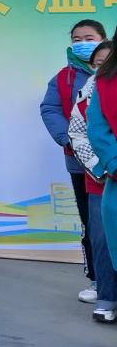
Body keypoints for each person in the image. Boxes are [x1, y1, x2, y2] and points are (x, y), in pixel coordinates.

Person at [40, 19, 107, 303]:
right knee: (92, 223)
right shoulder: (63, 78)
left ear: (103, 39)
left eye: (89, 38)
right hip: (81, 164)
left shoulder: (111, 74)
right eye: (76, 39)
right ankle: (98, 280)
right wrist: (70, 139)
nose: (82, 44)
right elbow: (50, 108)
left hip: (113, 160)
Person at [70, 41, 116, 323]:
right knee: (103, 240)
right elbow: (85, 131)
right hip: (105, 178)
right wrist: (108, 164)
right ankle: (107, 298)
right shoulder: (98, 86)